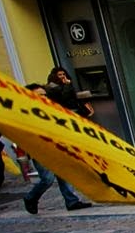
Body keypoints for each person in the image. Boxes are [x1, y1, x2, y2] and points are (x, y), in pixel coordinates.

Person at [21, 83, 93, 214]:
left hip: (57, 147)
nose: (44, 97)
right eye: (40, 95)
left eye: (44, 94)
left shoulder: (50, 110)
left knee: (64, 175)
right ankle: (30, 198)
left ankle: (71, 201)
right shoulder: (25, 112)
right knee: (47, 179)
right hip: (40, 150)